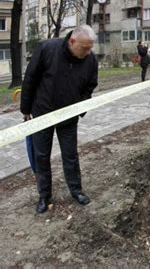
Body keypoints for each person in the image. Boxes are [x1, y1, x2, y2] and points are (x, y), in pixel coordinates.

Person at [20, 25, 98, 213]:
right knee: (41, 156)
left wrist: (81, 108)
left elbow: (90, 85)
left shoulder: (90, 59)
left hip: (69, 116)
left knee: (70, 155)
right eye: (85, 48)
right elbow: (30, 79)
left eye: (90, 48)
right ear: (72, 41)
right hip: (42, 113)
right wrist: (26, 109)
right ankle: (44, 195)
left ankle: (76, 190)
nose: (89, 52)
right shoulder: (48, 49)